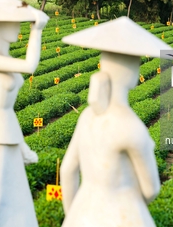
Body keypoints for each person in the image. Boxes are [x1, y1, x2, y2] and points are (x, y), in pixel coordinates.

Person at [60, 17, 163, 227]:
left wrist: (73, 214)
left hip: (83, 213)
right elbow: (151, 189)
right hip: (123, 215)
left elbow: (67, 170)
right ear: (133, 74)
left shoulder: (87, 116)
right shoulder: (131, 127)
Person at [0, 0, 48, 227]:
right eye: (12, 22)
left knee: (14, 202)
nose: (17, 27)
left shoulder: (3, 59)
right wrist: (37, 31)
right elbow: (29, 66)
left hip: (6, 136)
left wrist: (21, 145)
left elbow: (6, 111)